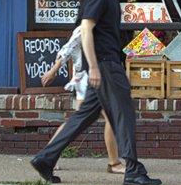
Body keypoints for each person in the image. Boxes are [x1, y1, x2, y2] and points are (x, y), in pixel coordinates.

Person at [31, 0, 162, 185]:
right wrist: (93, 67)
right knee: (125, 115)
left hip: (106, 64)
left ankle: (45, 158)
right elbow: (86, 30)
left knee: (83, 117)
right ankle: (132, 170)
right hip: (105, 65)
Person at [41, 24, 125, 174]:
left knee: (79, 121)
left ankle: (47, 157)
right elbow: (67, 49)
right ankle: (114, 163)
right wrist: (53, 71)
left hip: (98, 80)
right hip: (86, 81)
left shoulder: (101, 28)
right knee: (95, 120)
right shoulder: (84, 28)